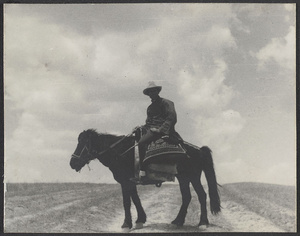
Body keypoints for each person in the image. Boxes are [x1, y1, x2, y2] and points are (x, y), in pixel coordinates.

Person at [131, 81, 183, 183]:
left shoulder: (167, 103)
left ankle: (142, 171)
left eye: (153, 91)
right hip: (152, 130)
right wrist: (140, 127)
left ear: (157, 91)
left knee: (141, 143)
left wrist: (160, 130)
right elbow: (148, 123)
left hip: (165, 130)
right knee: (135, 139)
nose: (151, 93)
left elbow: (171, 118)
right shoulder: (150, 108)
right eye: (150, 92)